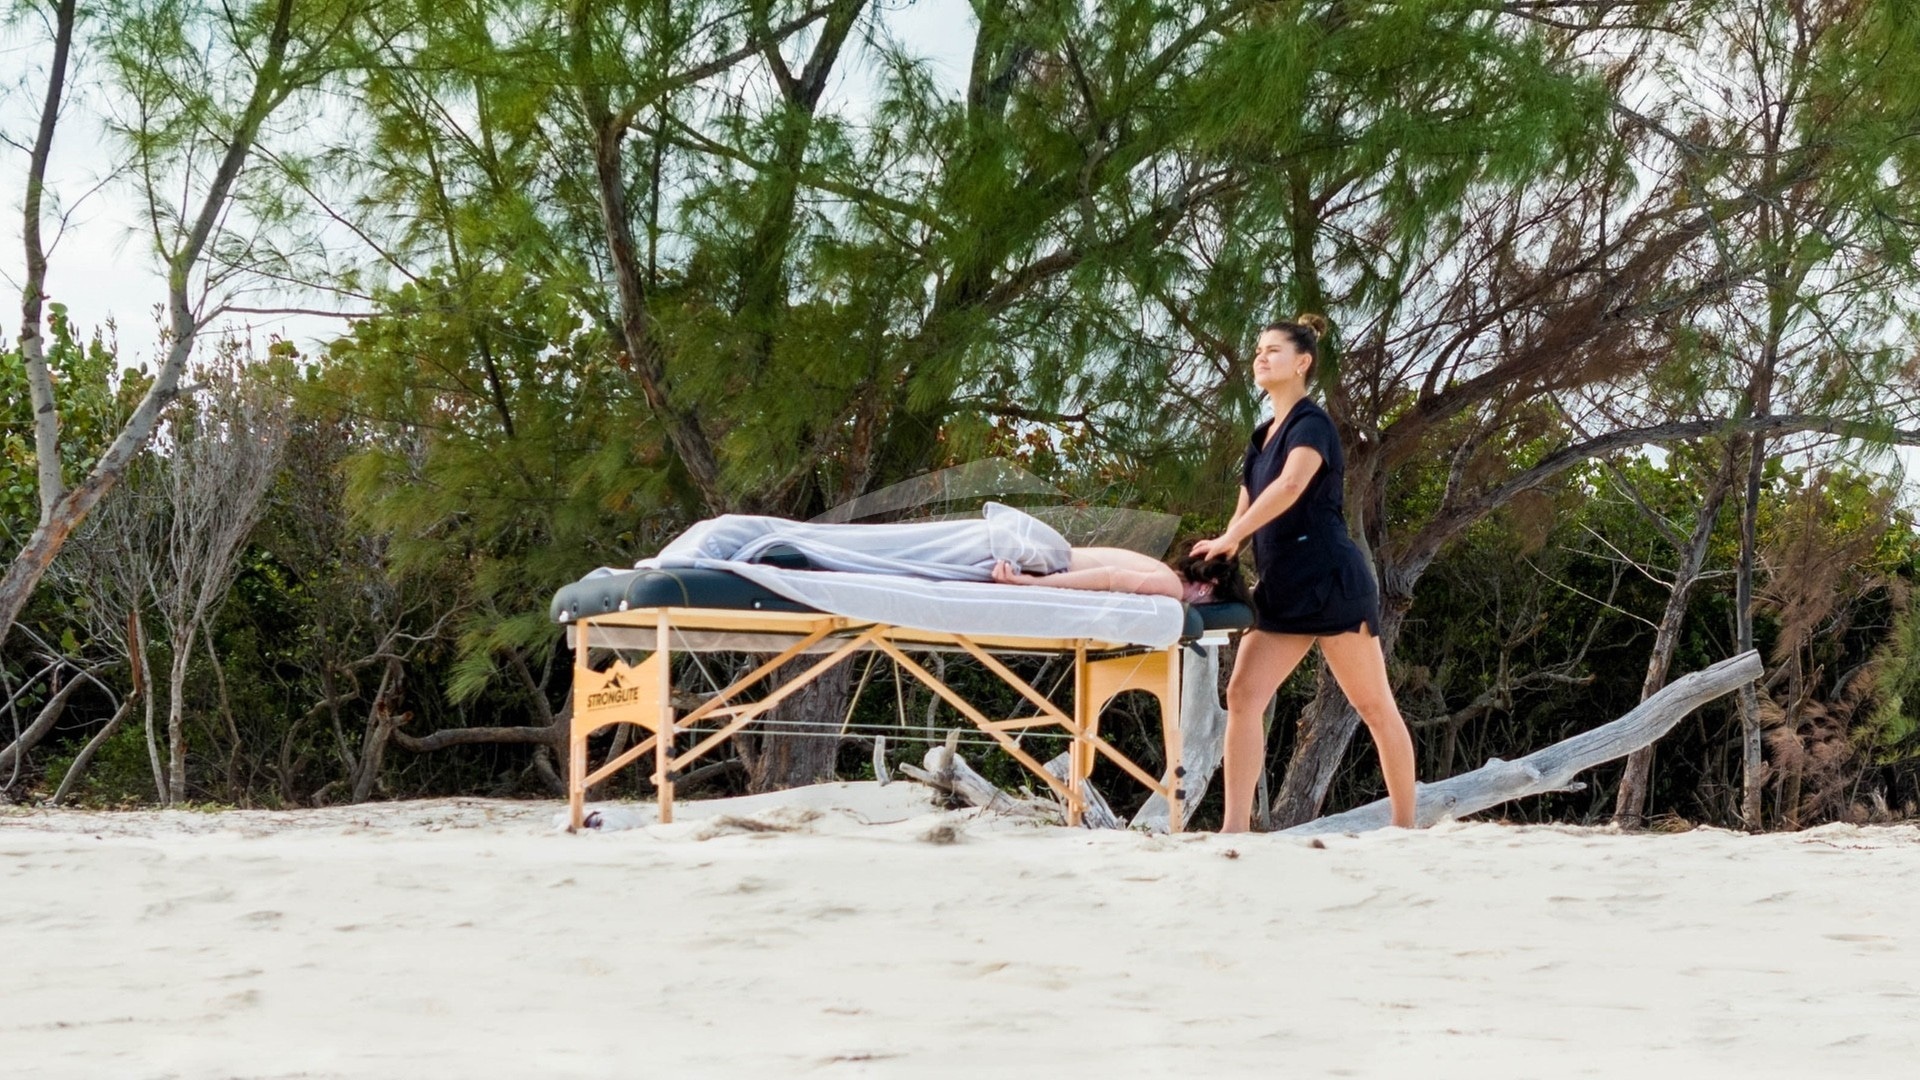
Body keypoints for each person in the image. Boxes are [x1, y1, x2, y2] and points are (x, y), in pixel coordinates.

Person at [1188, 314, 1418, 831]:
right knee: (1243, 696)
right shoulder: (1259, 438)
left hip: (1331, 580)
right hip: (1283, 586)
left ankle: (1406, 830)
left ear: (1302, 363)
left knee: (1374, 706)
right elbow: (1243, 512)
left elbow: (1291, 486)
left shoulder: (1312, 423)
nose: (1261, 358)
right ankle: (1235, 830)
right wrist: (1222, 551)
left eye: (1273, 350)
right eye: (1257, 351)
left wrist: (1232, 537)